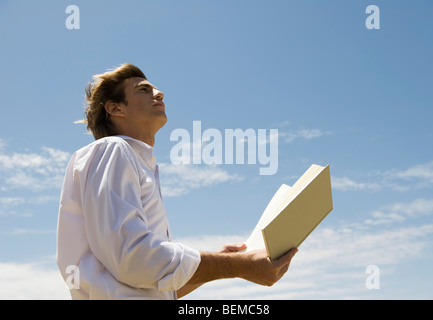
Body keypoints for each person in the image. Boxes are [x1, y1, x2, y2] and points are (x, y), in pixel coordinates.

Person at [56, 63, 298, 299]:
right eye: (143, 89)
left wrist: (222, 261)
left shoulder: (137, 163)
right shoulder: (114, 149)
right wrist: (236, 265)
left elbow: (156, 287)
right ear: (116, 108)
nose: (159, 93)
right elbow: (132, 258)